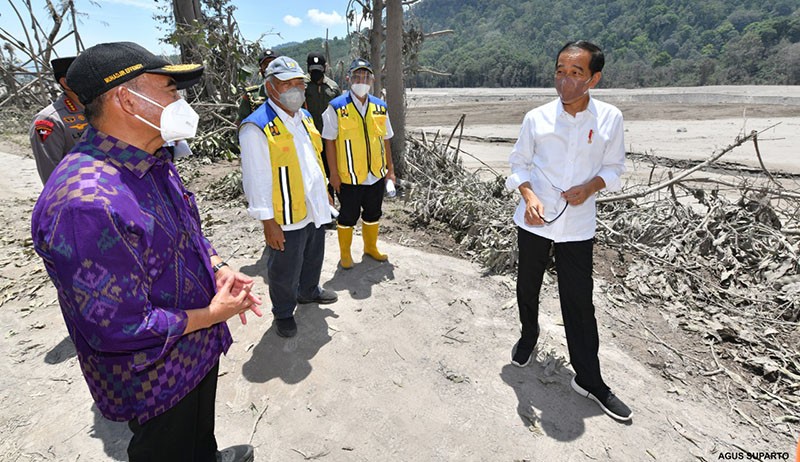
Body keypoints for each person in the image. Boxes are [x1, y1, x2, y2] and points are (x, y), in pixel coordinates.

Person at [30, 41, 262, 462]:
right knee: (166, 447)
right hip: (155, 375)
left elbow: (184, 229)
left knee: (195, 437)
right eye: (170, 91)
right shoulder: (85, 204)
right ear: (125, 98)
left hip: (193, 350)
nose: (181, 102)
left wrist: (218, 266)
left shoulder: (149, 158)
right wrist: (214, 314)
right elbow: (119, 328)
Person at [506, 40, 631, 422]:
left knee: (579, 302)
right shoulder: (537, 118)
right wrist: (528, 196)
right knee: (527, 286)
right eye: (561, 70)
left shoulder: (610, 119)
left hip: (578, 227)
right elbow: (518, 164)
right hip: (534, 222)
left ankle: (589, 379)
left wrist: (590, 188)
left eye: (576, 73)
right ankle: (528, 336)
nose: (565, 80)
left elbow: (615, 168)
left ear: (594, 78)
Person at [239, 56, 338, 339]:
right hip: (284, 212)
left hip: (313, 204)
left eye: (299, 83)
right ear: (270, 87)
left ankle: (308, 291)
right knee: (284, 267)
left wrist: (326, 195)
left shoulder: (305, 117)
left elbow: (314, 160)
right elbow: (255, 178)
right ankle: (283, 312)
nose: (296, 89)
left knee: (313, 253)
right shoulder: (256, 126)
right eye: (287, 84)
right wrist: (268, 221)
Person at [321, 58, 395, 269]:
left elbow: (386, 139)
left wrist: (390, 171)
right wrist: (333, 174)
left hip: (376, 174)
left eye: (365, 76)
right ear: (348, 79)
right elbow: (330, 143)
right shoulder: (336, 107)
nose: (361, 80)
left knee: (373, 213)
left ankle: (370, 247)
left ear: (371, 80)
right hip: (349, 175)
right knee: (348, 216)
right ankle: (345, 254)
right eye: (356, 76)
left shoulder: (380, 107)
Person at [29, 56, 87, 183]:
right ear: (66, 82)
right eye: (88, 76)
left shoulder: (98, 110)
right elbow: (51, 174)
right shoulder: (49, 120)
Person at [304, 52, 341, 197]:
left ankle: (341, 209)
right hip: (309, 141)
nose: (316, 73)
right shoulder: (302, 85)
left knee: (334, 173)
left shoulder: (333, 87)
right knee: (316, 177)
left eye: (318, 69)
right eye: (313, 70)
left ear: (325, 68)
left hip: (330, 141)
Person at [236, 49, 279, 126]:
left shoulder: (291, 91)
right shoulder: (251, 95)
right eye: (266, 64)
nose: (270, 68)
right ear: (261, 70)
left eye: (273, 64)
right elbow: (241, 122)